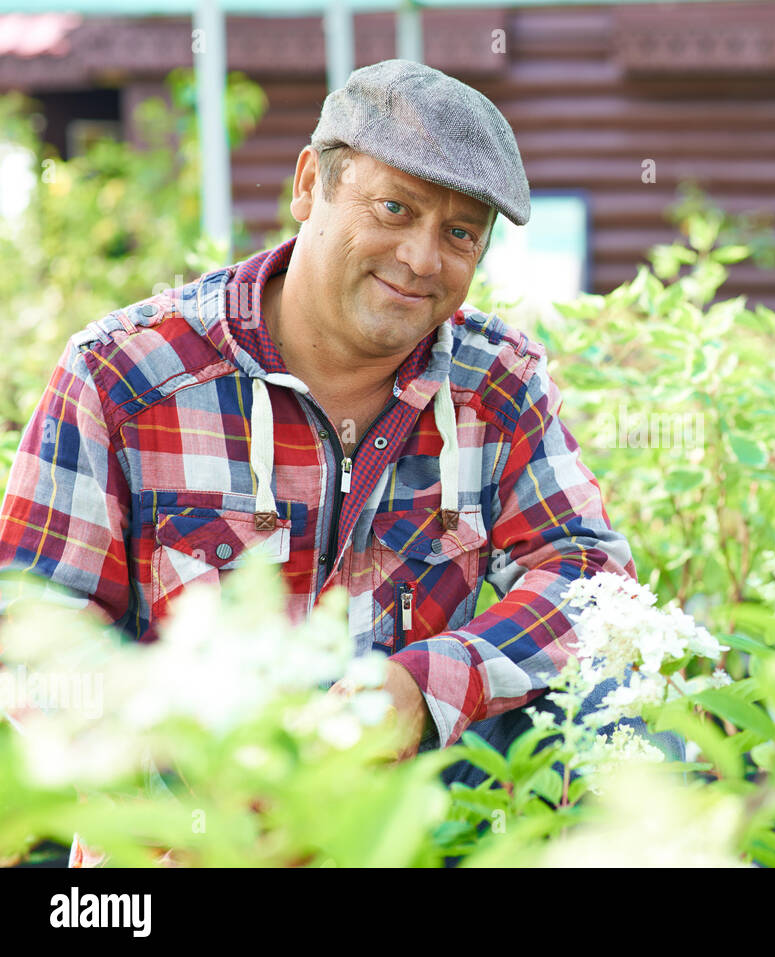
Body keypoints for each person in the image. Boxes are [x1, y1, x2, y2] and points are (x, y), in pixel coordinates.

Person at [0, 59, 675, 781]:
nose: (421, 259)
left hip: (403, 824)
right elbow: (31, 612)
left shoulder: (497, 385)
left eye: (459, 234)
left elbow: (587, 573)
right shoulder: (124, 375)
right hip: (189, 831)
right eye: (395, 209)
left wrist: (431, 682)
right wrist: (189, 737)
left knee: (626, 718)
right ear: (308, 185)